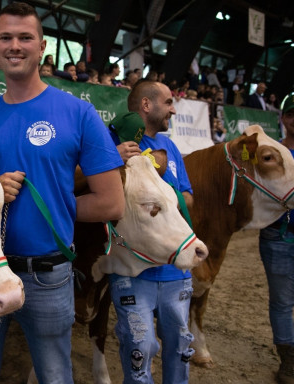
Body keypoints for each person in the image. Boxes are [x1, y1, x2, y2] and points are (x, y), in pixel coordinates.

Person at [0, 3, 125, 383]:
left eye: (24, 37)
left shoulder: (78, 113)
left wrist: (52, 206)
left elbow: (111, 202)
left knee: (54, 375)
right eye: (5, 37)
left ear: (41, 47)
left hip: (48, 275)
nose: (14, 45)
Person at [108, 81, 194, 384]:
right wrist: (114, 158)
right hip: (132, 273)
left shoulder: (169, 149)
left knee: (180, 348)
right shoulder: (111, 142)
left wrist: (160, 197)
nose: (173, 108)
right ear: (147, 105)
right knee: (140, 348)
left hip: (175, 272)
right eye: (169, 102)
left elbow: (188, 197)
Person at [259, 92, 294, 384]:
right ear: (283, 118)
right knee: (282, 302)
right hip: (279, 236)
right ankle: (289, 362)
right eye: (292, 113)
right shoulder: (272, 152)